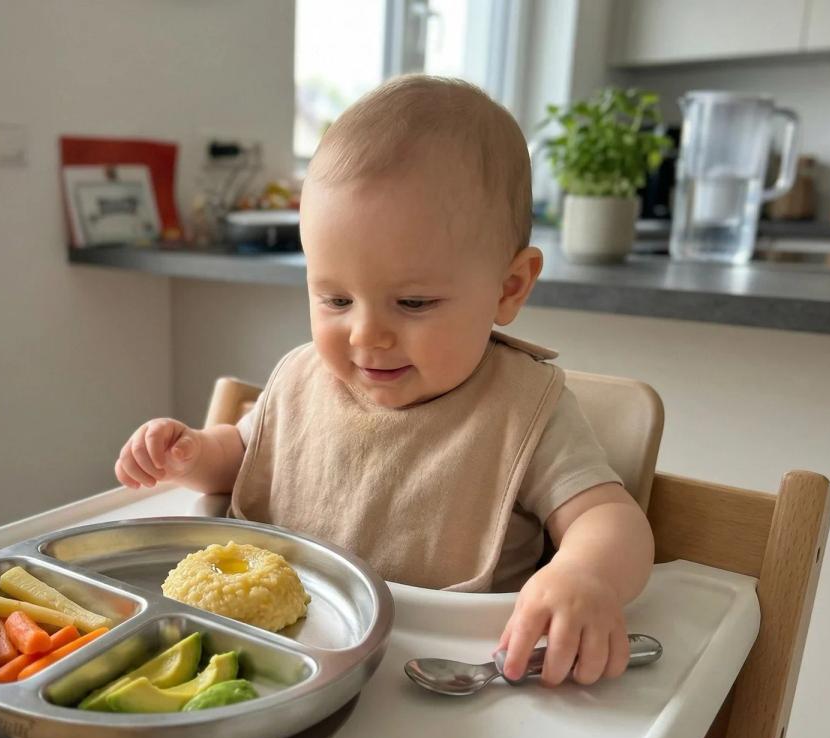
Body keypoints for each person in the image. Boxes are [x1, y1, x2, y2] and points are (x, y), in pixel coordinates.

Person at [114, 75, 654, 687]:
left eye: (415, 303)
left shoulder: (525, 409)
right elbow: (241, 457)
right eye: (336, 298)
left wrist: (584, 574)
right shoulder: (302, 379)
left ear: (510, 288)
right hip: (276, 659)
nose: (366, 336)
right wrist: (189, 452)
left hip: (442, 679)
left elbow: (611, 519)